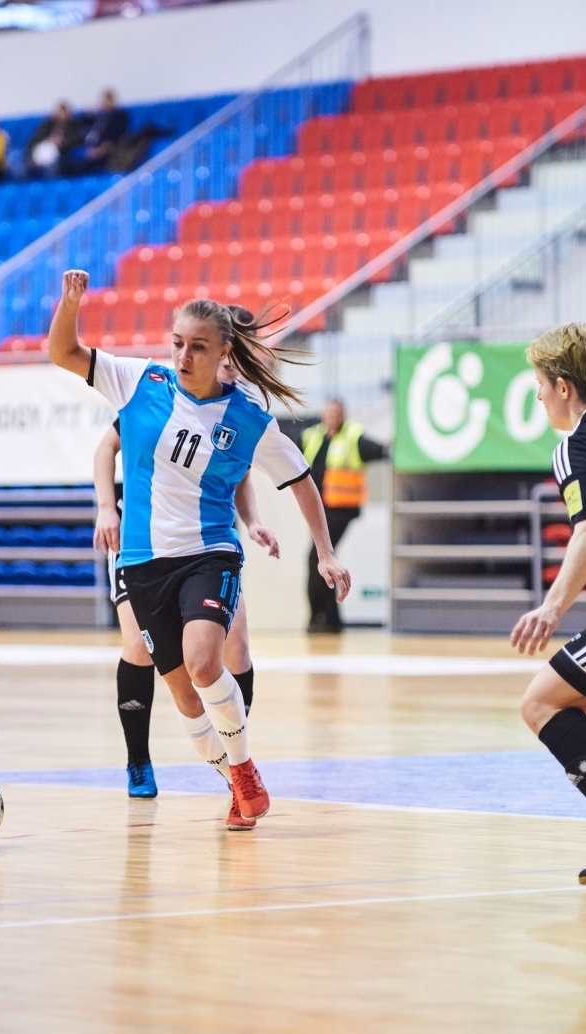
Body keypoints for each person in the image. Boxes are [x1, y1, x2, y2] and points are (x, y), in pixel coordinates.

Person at [49, 270, 350, 832]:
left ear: (224, 353)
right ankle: (235, 778)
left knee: (206, 660)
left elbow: (302, 480)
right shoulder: (139, 382)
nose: (184, 357)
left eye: (198, 347)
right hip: (142, 563)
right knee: (187, 700)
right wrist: (70, 305)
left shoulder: (248, 420)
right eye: (178, 344)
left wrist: (325, 553)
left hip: (208, 554)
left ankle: (244, 770)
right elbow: (63, 352)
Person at [93, 418, 279, 803]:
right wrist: (106, 507)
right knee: (138, 646)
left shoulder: (234, 410)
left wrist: (252, 521)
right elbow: (106, 446)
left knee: (236, 646)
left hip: (204, 543)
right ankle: (138, 760)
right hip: (141, 540)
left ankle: (236, 764)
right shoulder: (155, 398)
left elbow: (242, 473)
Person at [511, 322, 586, 884]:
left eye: (539, 383)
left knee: (542, 702)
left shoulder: (577, 445)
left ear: (563, 386)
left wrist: (551, 608)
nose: (537, 395)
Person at [300, 398, 390, 633]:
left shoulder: (352, 436)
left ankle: (322, 617)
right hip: (318, 509)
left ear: (343, 415)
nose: (331, 416)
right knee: (321, 560)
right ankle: (328, 619)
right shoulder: (314, 436)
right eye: (328, 412)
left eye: (336, 413)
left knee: (318, 558)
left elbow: (378, 450)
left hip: (340, 509)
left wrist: (391, 446)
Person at [64, 89, 128, 176]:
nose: (106, 103)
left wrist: (100, 150)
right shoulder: (97, 116)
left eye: (109, 100)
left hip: (103, 151)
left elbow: (115, 138)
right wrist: (91, 112)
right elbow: (79, 122)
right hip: (86, 146)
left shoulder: (119, 116)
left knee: (79, 165)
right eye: (104, 100)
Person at [24, 102, 83, 177]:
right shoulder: (47, 125)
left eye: (63, 114)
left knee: (52, 167)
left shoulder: (74, 126)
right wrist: (48, 140)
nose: (61, 117)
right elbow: (33, 141)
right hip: (40, 153)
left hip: (60, 156)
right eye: (59, 114)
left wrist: (62, 143)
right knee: (22, 167)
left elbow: (77, 140)